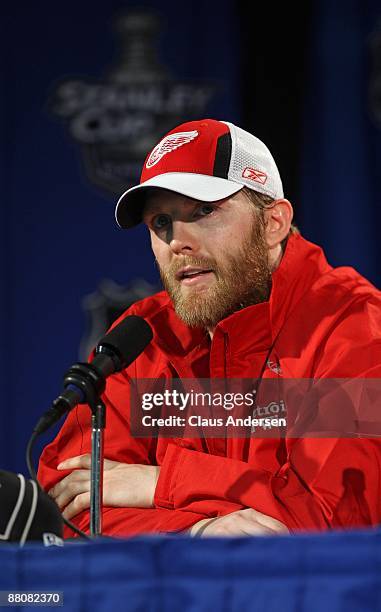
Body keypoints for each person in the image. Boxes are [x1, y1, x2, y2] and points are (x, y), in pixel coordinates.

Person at [38, 119, 381, 538]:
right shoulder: (143, 337)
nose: (177, 241)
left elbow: (337, 522)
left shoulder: (353, 327)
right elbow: (69, 506)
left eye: (204, 211)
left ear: (273, 223)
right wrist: (197, 534)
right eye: (161, 222)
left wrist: (161, 483)